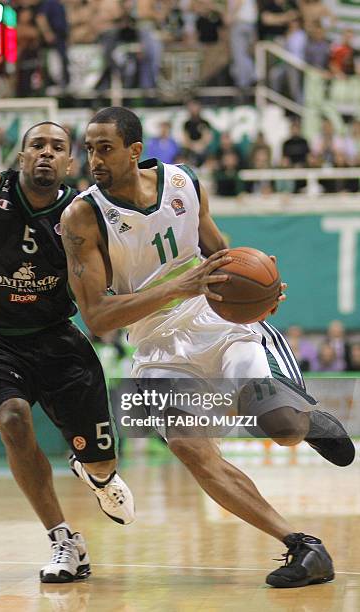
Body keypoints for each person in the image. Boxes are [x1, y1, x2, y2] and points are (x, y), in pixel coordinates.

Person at [60, 106, 355, 588]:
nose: (94, 159)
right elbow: (96, 317)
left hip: (218, 322)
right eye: (90, 149)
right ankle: (302, 546)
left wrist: (257, 284)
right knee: (191, 450)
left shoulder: (184, 182)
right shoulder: (83, 216)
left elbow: (220, 251)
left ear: (135, 151)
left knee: (281, 430)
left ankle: (305, 418)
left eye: (106, 148)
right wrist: (182, 286)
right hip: (155, 346)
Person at [0, 15, 134, 584]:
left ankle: (98, 474)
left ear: (69, 162)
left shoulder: (84, 214)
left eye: (57, 147)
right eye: (36, 143)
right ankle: (65, 540)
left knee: (104, 463)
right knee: (12, 417)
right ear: (19, 155)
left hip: (57, 340)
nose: (45, 152)